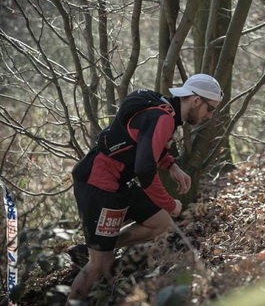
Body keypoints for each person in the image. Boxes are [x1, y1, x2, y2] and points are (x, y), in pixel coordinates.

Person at [68, 73, 223, 301]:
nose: (209, 116)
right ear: (196, 100)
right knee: (99, 266)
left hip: (119, 181)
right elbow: (144, 169)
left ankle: (97, 246)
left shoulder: (166, 110)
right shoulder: (163, 117)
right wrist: (170, 205)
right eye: (210, 109)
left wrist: (172, 166)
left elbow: (146, 145)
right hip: (98, 184)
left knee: (161, 225)